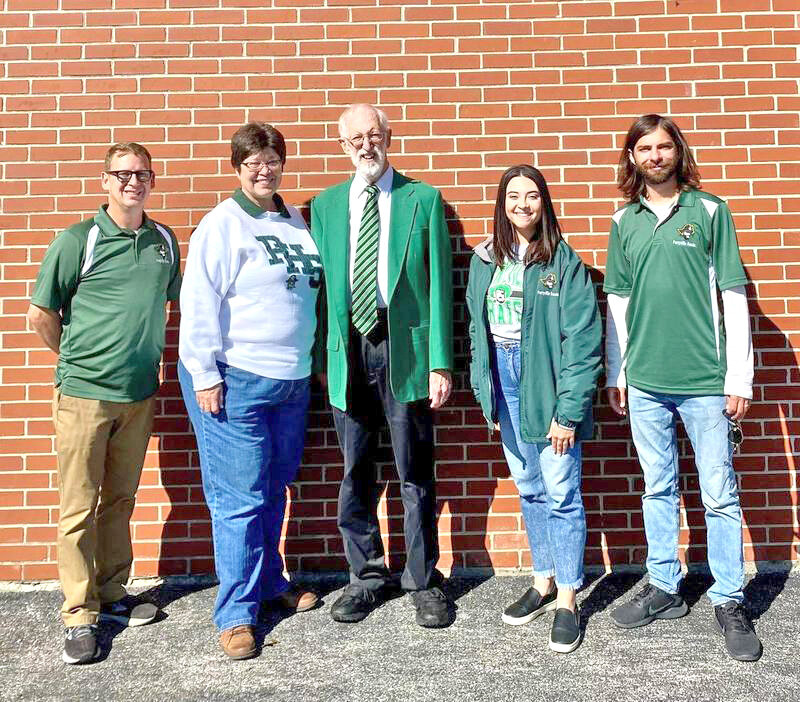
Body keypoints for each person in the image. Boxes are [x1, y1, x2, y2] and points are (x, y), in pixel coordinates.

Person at [604, 114, 762, 662]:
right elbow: (617, 304)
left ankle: (729, 598)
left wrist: (738, 377)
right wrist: (616, 372)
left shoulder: (712, 212)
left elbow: (735, 297)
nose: (655, 155)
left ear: (678, 153)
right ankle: (665, 587)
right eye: (644, 148)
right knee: (657, 489)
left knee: (719, 494)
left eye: (664, 146)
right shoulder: (624, 221)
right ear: (632, 158)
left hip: (704, 382)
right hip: (646, 381)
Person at [27, 142, 180, 665]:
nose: (131, 182)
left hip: (139, 395)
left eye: (141, 174)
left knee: (120, 500)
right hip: (85, 396)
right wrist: (78, 360)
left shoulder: (163, 241)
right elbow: (41, 314)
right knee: (78, 507)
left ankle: (113, 594)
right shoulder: (79, 240)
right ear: (104, 180)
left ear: (152, 181)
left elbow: (170, 303)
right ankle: (78, 613)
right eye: (122, 174)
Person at [178, 122, 322, 660]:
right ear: (237, 167)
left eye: (272, 159)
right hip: (234, 379)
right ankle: (236, 614)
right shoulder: (222, 224)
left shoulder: (295, 221)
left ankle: (267, 582)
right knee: (238, 500)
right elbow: (199, 303)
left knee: (274, 486)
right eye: (252, 161)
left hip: (291, 381)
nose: (263, 169)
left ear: (283, 163)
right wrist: (204, 374)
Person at [311, 104, 454, 628]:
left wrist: (441, 363)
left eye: (374, 135)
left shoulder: (423, 199)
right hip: (347, 350)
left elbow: (440, 285)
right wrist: (320, 358)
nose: (366, 146)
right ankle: (365, 577)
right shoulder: (324, 207)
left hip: (405, 350)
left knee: (413, 469)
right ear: (342, 146)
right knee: (355, 470)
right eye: (355, 139)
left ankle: (421, 579)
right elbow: (322, 289)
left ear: (389, 137)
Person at [466, 165, 601, 653]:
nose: (522, 204)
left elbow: (583, 344)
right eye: (513, 196)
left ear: (544, 203)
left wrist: (567, 413)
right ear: (502, 204)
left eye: (532, 196)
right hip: (504, 383)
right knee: (529, 487)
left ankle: (568, 597)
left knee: (561, 491)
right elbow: (476, 330)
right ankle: (542, 579)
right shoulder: (486, 259)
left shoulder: (562, 263)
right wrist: (487, 389)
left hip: (545, 382)